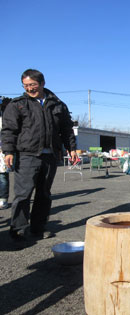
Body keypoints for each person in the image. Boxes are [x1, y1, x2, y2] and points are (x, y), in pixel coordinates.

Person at [1, 69, 77, 241]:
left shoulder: (58, 105)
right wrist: (8, 151)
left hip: (50, 156)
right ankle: (18, 229)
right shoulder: (18, 104)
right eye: (26, 86)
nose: (29, 89)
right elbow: (9, 130)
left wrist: (71, 148)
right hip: (27, 155)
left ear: (42, 83)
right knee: (23, 194)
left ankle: (38, 228)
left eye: (32, 85)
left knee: (44, 194)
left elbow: (66, 129)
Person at [0, 96, 12, 210]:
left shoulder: (3, 120)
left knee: (3, 176)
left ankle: (3, 199)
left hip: (2, 151)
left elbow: (7, 135)